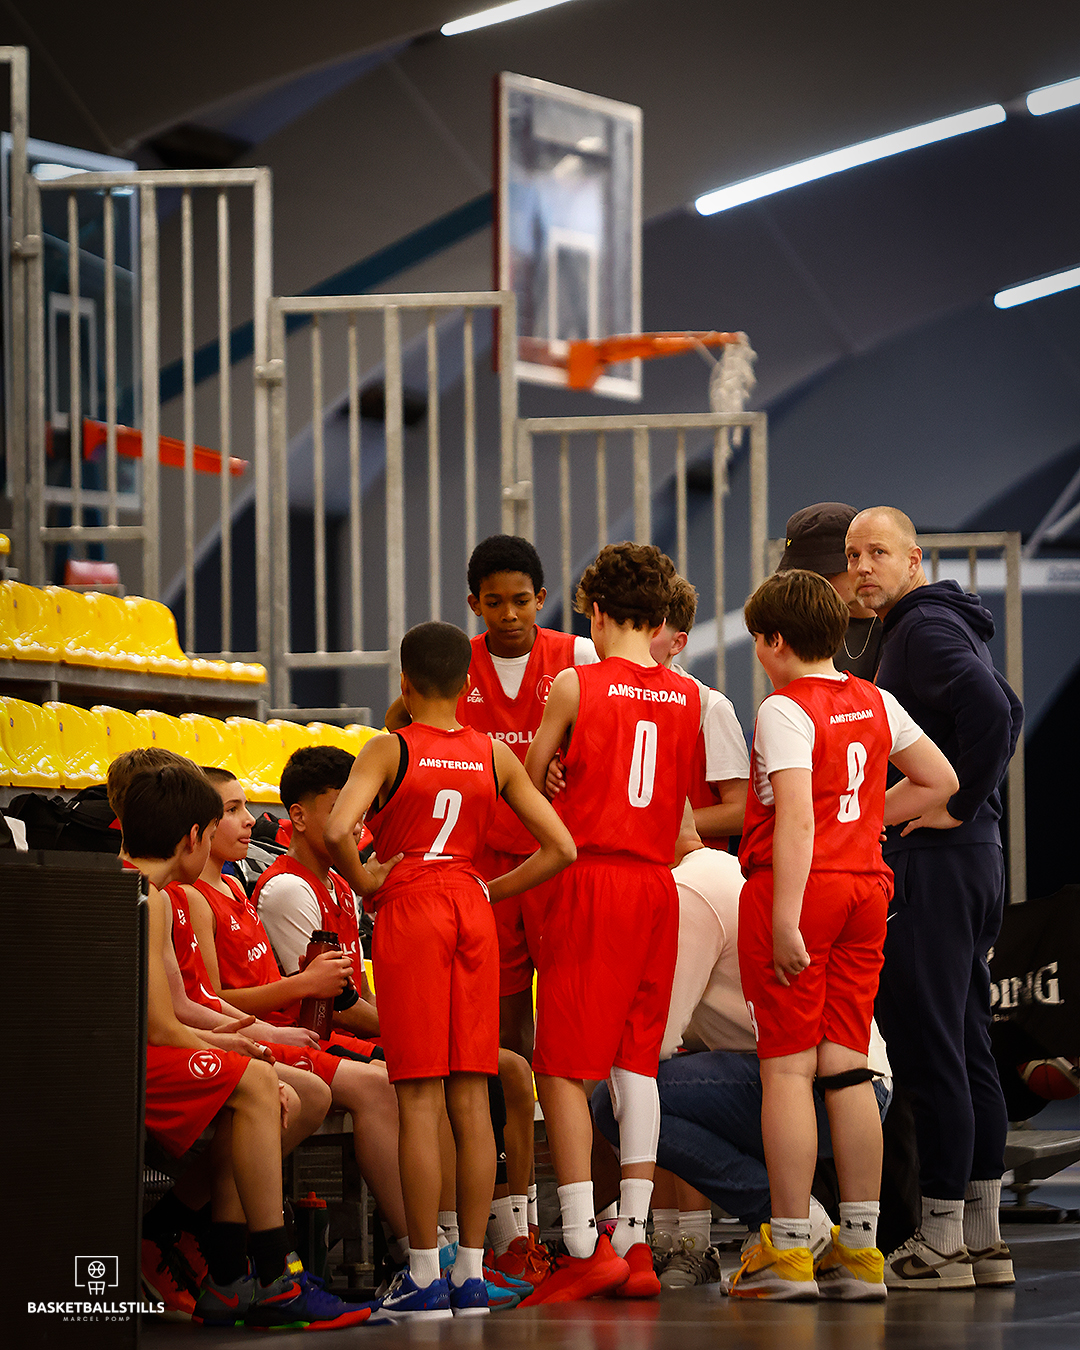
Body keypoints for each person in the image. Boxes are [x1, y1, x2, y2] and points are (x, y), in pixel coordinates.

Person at [324, 621, 576, 1320]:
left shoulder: (389, 746)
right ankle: (470, 1273)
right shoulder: (494, 752)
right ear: (468, 685)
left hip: (412, 906)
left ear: (403, 683)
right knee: (472, 1096)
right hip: (471, 903)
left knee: (418, 1101)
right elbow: (561, 846)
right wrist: (489, 890)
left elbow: (338, 828)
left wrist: (366, 879)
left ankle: (422, 1274)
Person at [728, 569, 957, 1301]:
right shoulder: (875, 698)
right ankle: (860, 1251)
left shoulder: (783, 708)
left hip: (804, 888)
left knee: (788, 1071)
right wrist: (867, 822)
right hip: (864, 887)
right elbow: (940, 780)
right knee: (849, 1066)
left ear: (773, 641)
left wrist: (784, 917)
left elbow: (796, 819)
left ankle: (792, 1248)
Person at [106, 751, 372, 1330]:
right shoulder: (140, 896)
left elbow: (185, 1003)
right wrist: (238, 1050)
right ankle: (273, 1273)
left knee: (262, 1079)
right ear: (193, 837)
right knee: (256, 1082)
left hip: (148, 1047)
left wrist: (245, 1035)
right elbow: (159, 1027)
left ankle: (229, 1275)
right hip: (120, 1060)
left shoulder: (157, 895)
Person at [846, 506, 1024, 1290]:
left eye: (878, 553)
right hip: (972, 858)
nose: (862, 567)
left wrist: (957, 801)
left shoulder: (920, 629)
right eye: (853, 554)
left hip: (943, 861)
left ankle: (943, 1241)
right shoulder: (940, 622)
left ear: (914, 558)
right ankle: (981, 1237)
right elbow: (1005, 704)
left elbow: (995, 710)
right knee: (967, 1043)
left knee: (932, 1048)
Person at [521, 542, 704, 1304]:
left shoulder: (575, 682)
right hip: (658, 885)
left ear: (595, 612)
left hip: (590, 877)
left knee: (562, 1067)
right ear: (660, 619)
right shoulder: (688, 695)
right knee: (638, 1063)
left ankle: (578, 1242)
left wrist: (551, 773)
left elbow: (526, 785)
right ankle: (632, 1236)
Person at [592, 817, 892, 1277]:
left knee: (612, 1099)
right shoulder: (724, 869)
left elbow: (653, 1046)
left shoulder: (687, 891)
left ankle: (789, 1219)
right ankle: (810, 1227)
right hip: (862, 1087)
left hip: (812, 1092)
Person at [180, 764, 412, 1261]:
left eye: (246, 806)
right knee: (379, 1087)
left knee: (414, 1077)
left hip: (279, 1033)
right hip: (261, 1037)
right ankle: (417, 1252)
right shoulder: (199, 898)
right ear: (199, 826)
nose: (250, 820)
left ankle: (440, 1240)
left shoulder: (235, 889)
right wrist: (303, 987)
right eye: (232, 810)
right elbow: (210, 999)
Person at [389, 533, 599, 1065]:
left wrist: (570, 756)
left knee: (568, 1004)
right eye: (494, 602)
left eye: (521, 601)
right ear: (473, 604)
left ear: (541, 598)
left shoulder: (578, 655)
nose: (508, 614)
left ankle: (563, 1108)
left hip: (557, 858)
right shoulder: (456, 661)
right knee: (505, 1014)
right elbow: (399, 723)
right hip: (483, 860)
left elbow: (609, 729)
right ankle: (516, 1113)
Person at [648, 574, 749, 849]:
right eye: (632, 625)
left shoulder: (710, 706)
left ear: (677, 643)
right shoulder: (599, 694)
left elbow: (740, 811)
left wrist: (658, 825)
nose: (637, 637)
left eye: (652, 629)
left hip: (687, 868)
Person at [778, 502, 883, 679]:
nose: (816, 587)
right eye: (806, 578)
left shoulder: (904, 628)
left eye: (827, 574)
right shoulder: (807, 629)